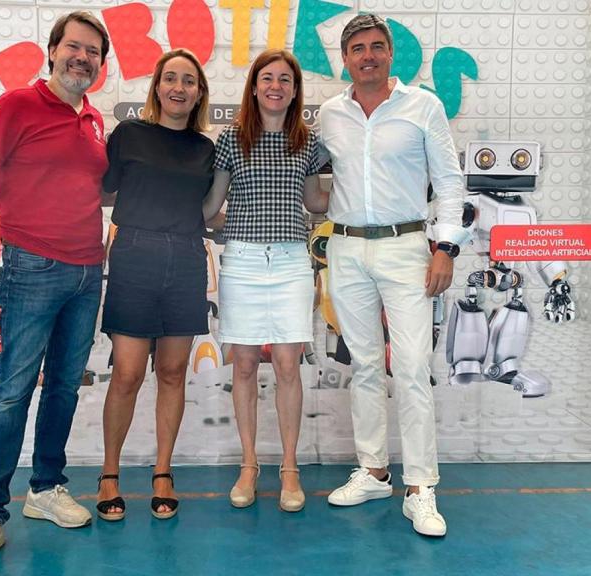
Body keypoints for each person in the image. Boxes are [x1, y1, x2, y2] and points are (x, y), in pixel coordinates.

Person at [0, 11, 110, 571]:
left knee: (64, 386)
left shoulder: (92, 119)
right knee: (13, 390)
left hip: (88, 272)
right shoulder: (16, 104)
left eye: (93, 51)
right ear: (52, 50)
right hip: (31, 268)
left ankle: (45, 488)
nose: (82, 57)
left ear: (101, 64)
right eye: (74, 47)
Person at [317, 13, 467, 537]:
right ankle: (374, 470)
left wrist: (445, 247)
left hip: (407, 247)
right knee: (362, 364)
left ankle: (421, 486)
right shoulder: (329, 114)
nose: (368, 56)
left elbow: (450, 182)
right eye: (357, 48)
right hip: (346, 247)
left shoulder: (423, 106)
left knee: (409, 367)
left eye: (377, 46)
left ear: (390, 54)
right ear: (346, 58)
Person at [201, 49, 327, 513]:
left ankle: (289, 468)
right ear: (254, 86)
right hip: (243, 264)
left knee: (290, 365)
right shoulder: (232, 139)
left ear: (295, 91)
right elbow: (211, 206)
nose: (276, 86)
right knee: (246, 366)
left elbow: (315, 203)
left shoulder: (309, 142)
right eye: (267, 78)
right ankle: (249, 464)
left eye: (285, 80)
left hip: (293, 262)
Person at [94, 49, 214, 522]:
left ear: (199, 92)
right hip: (134, 257)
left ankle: (163, 472)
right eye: (170, 78)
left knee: (171, 372)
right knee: (126, 373)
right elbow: (101, 189)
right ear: (158, 86)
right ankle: (109, 474)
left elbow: (209, 210)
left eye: (188, 80)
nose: (178, 87)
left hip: (186, 257)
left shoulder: (206, 149)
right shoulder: (129, 134)